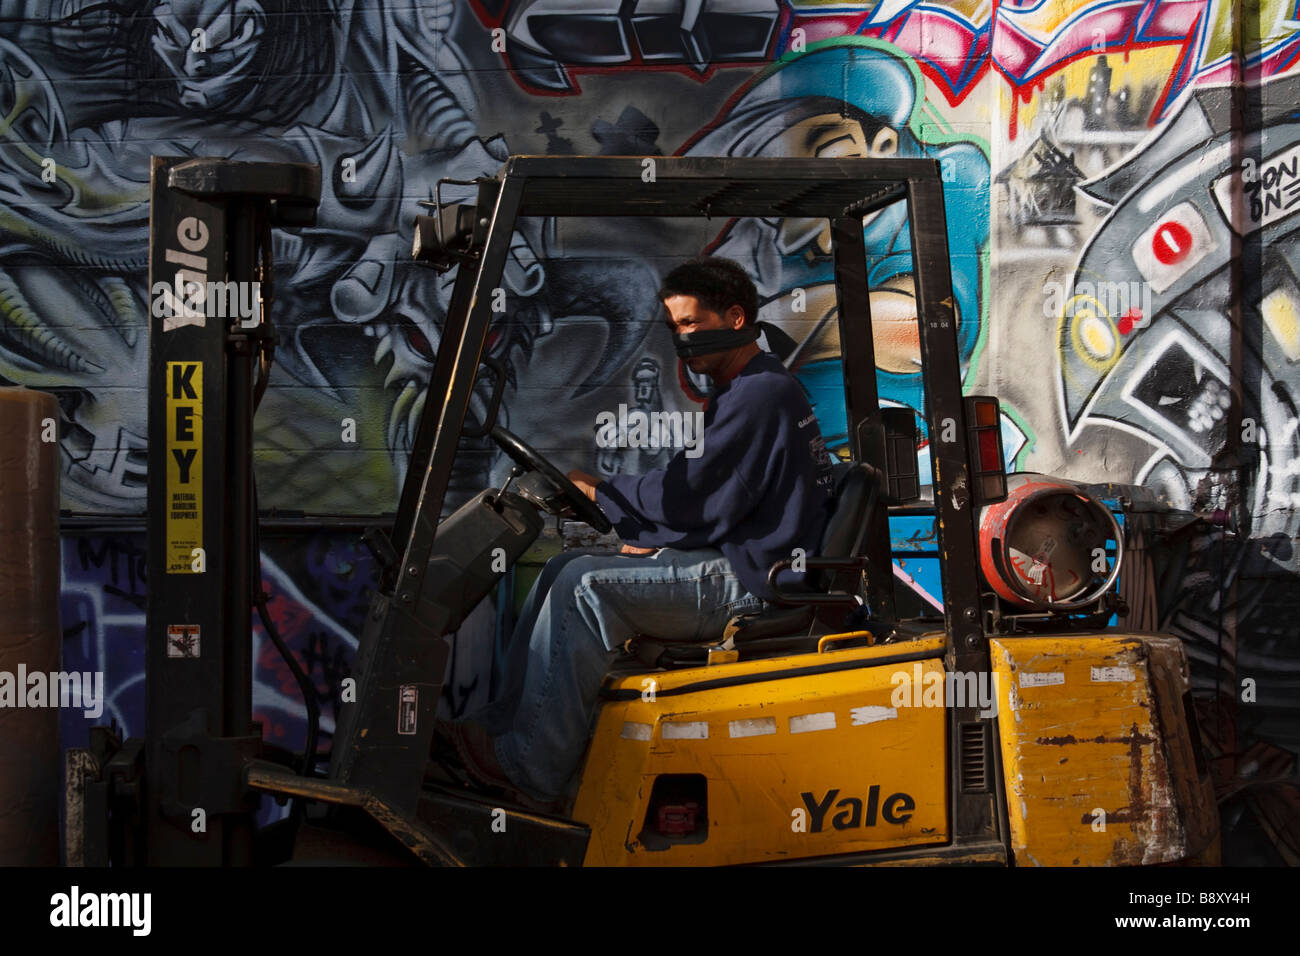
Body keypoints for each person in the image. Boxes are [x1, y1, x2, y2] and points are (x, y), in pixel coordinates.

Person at [439, 256, 835, 808]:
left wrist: (606, 494)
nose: (681, 339)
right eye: (673, 328)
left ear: (737, 318)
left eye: (691, 325)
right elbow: (716, 495)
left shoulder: (759, 394)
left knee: (585, 587)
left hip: (752, 582)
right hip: (742, 555)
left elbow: (694, 495)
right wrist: (654, 528)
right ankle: (505, 727)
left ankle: (531, 768)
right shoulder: (749, 386)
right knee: (560, 567)